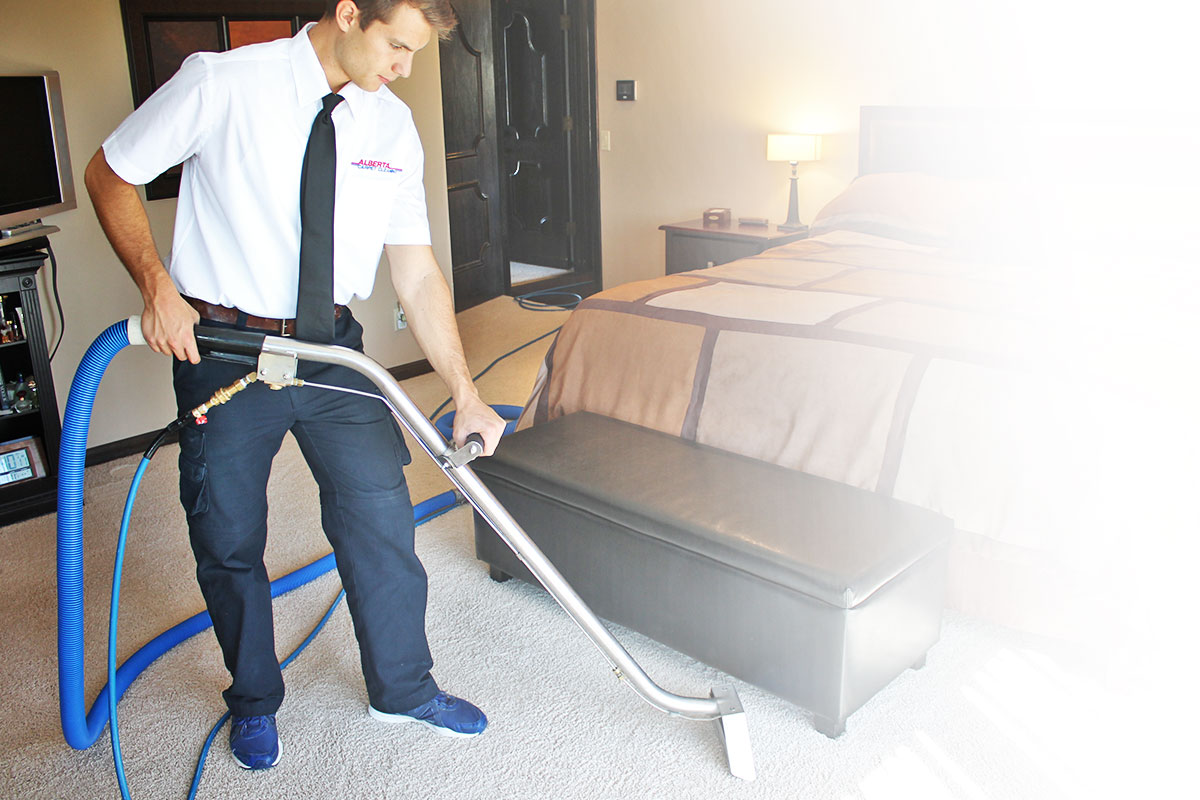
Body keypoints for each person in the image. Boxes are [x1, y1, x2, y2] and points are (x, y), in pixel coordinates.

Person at [84, 0, 506, 771]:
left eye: (415, 53)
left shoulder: (390, 127)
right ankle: (252, 701)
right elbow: (110, 171)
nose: (403, 68)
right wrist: (155, 287)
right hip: (225, 346)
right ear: (349, 13)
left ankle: (404, 690)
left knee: (382, 516)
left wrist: (466, 389)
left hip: (336, 352)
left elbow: (414, 269)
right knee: (228, 535)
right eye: (397, 46)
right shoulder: (221, 83)